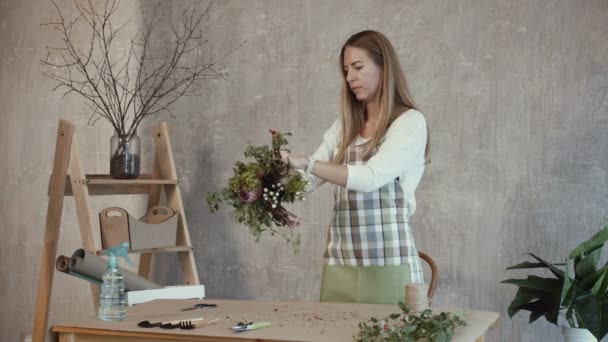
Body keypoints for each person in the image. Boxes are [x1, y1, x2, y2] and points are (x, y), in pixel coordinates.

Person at [284, 30, 430, 305]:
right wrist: (269, 182)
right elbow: (306, 182)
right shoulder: (345, 125)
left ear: (384, 67)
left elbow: (370, 178)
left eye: (358, 67)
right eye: (346, 70)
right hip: (342, 264)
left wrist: (309, 163)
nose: (350, 77)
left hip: (391, 266)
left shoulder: (409, 122)